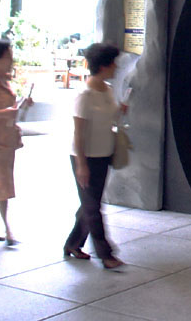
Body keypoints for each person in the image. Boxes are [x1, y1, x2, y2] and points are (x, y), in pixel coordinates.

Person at [63, 42, 126, 269]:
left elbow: (109, 119)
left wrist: (120, 111)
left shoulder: (107, 90)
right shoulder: (84, 95)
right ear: (103, 66)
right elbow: (78, 133)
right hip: (86, 157)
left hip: (104, 154)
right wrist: (81, 165)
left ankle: (72, 244)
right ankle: (105, 254)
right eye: (113, 63)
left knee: (90, 205)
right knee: (92, 207)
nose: (116, 67)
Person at [0, 39, 32, 245]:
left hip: (5, 142)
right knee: (0, 186)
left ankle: (4, 229)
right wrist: (6, 112)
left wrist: (22, 104)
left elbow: (10, 111)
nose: (11, 61)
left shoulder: (4, 80)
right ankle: (8, 230)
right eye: (7, 57)